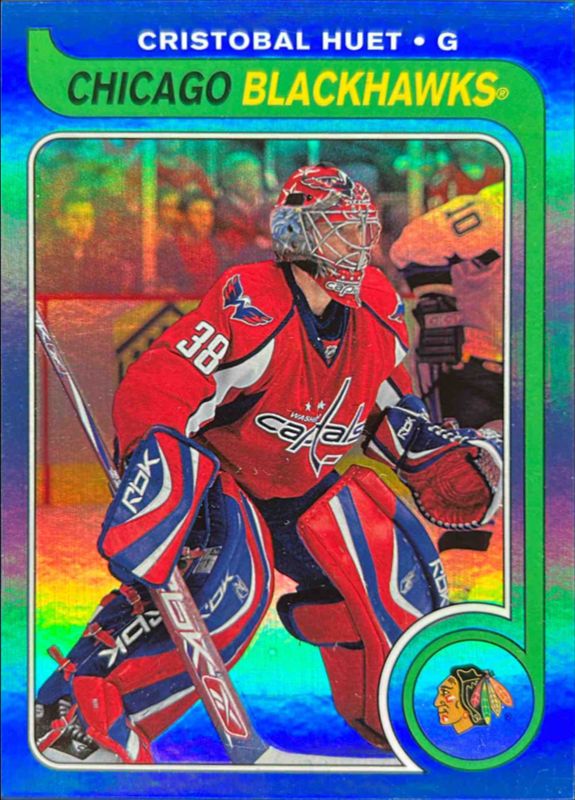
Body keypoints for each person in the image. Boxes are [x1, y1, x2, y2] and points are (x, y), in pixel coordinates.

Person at [35, 165, 502, 764]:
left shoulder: (377, 304)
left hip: (300, 486)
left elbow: (384, 399)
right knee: (230, 593)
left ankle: (399, 716)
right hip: (222, 479)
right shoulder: (253, 301)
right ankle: (76, 715)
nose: (359, 244)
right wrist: (157, 467)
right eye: (340, 229)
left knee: (396, 569)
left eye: (362, 229)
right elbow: (163, 380)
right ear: (299, 236)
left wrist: (424, 449)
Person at [389, 182, 504, 428]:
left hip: (546, 370)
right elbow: (417, 241)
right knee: (462, 448)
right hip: (478, 367)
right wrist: (438, 302)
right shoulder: (503, 205)